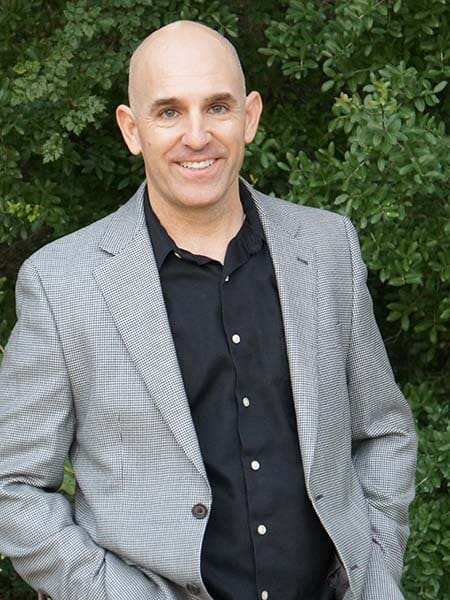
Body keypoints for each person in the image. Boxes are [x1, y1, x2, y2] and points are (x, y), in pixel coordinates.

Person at [0, 20, 417, 600]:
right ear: (132, 128)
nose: (196, 135)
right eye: (169, 111)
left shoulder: (327, 248)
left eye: (216, 107)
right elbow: (13, 486)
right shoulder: (63, 282)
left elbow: (384, 432)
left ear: (249, 116)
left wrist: (375, 571)